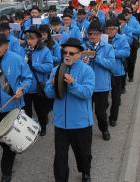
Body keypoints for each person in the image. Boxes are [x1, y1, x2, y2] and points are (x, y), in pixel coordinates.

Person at [0, 34, 33, 182]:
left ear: (7, 45)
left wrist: (22, 89)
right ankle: (11, 152)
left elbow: (28, 78)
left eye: (0, 45)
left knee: (9, 141)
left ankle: (6, 172)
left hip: (14, 108)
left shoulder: (16, 59)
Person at [44, 38, 95, 182]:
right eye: (65, 52)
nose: (67, 55)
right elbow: (49, 94)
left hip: (81, 123)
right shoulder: (56, 70)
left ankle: (86, 172)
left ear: (79, 54)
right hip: (61, 123)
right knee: (60, 156)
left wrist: (72, 84)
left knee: (83, 154)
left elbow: (87, 93)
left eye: (71, 53)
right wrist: (52, 86)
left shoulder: (87, 70)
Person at [83, 22, 115, 141]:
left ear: (101, 34)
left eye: (95, 34)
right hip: (86, 86)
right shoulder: (84, 47)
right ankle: (86, 133)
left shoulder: (108, 47)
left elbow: (111, 65)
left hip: (101, 86)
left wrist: (96, 57)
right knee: (86, 113)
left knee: (101, 113)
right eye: (90, 34)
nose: (92, 36)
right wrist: (83, 62)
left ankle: (104, 129)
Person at [23, 27, 54, 136]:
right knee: (26, 111)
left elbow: (49, 67)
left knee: (41, 110)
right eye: (27, 38)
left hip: (38, 87)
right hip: (25, 87)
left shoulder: (45, 50)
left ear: (38, 39)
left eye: (32, 38)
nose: (29, 41)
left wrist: (35, 65)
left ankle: (43, 126)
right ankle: (30, 128)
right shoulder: (23, 50)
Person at [105, 19, 130, 125]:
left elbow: (126, 52)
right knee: (103, 98)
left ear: (116, 29)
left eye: (112, 29)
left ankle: (113, 118)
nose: (109, 31)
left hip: (117, 73)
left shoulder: (122, 38)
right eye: (107, 29)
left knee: (116, 97)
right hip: (104, 72)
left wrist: (111, 52)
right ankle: (103, 114)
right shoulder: (103, 39)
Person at [123, 8, 140, 82]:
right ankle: (124, 78)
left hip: (133, 44)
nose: (125, 16)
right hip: (124, 44)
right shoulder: (121, 22)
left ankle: (131, 76)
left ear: (130, 15)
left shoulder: (134, 22)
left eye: (126, 14)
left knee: (132, 61)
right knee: (125, 61)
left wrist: (129, 29)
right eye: (124, 14)